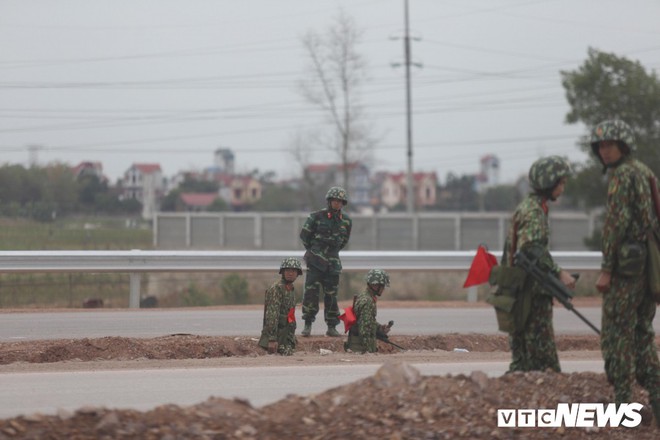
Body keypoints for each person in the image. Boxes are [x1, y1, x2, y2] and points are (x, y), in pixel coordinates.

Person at [591, 119, 660, 425]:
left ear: (623, 146)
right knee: (642, 335)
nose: (605, 151)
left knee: (617, 336)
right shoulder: (645, 172)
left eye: (610, 145)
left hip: (627, 270)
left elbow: (615, 225)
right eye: (601, 146)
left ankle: (623, 411)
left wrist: (607, 270)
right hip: (648, 268)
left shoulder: (621, 175)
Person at [501, 156, 576, 373]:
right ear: (549, 183)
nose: (562, 188)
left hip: (521, 291)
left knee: (523, 360)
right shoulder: (534, 211)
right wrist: (559, 273)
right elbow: (531, 249)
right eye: (561, 183)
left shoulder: (531, 207)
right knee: (543, 363)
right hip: (530, 295)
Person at [300, 186, 352, 337]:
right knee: (311, 294)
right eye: (335, 201)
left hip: (333, 263)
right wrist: (315, 251)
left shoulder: (346, 221)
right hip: (316, 262)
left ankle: (331, 326)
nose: (337, 203)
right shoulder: (316, 216)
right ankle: (307, 324)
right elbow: (304, 236)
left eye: (340, 201)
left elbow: (344, 241)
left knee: (331, 295)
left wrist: (331, 254)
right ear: (329, 201)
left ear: (343, 203)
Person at [258, 257, 302, 356]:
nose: (290, 273)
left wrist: (291, 337)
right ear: (282, 272)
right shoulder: (277, 288)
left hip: (286, 337)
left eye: (293, 271)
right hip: (277, 338)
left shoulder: (290, 289)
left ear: (298, 273)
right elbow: (272, 314)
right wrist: (272, 339)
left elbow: (290, 314)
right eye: (287, 270)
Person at [344, 269, 391, 353]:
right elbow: (364, 329)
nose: (383, 289)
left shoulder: (364, 296)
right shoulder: (367, 301)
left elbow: (366, 320)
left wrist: (379, 328)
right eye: (383, 286)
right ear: (376, 285)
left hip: (357, 346)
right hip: (360, 349)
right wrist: (368, 351)